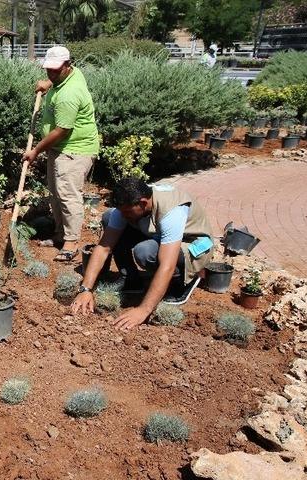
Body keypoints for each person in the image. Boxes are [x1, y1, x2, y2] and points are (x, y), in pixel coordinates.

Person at [71, 178, 215, 330]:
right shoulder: (132, 204)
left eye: (127, 211)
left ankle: (179, 284)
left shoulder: (172, 212)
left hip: (192, 244)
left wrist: (143, 310)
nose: (123, 215)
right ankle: (132, 280)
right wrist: (86, 289)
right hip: (158, 233)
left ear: (143, 203)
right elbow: (103, 247)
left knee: (145, 252)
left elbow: (167, 265)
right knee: (109, 217)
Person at [23, 45, 100, 263]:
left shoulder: (69, 94)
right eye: (48, 70)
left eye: (55, 71)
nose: (51, 73)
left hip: (74, 149)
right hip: (60, 147)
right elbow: (56, 80)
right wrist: (48, 84)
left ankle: (71, 243)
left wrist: (36, 150)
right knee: (56, 192)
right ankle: (60, 234)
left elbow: (61, 130)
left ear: (67, 65)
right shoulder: (72, 75)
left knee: (68, 195)